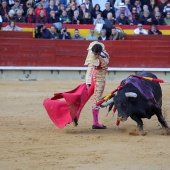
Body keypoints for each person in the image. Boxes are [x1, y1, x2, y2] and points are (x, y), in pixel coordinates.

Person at [84, 41, 110, 129]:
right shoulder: (101, 55)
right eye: (93, 53)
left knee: (96, 99)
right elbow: (90, 69)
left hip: (99, 79)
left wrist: (88, 81)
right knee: (97, 100)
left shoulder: (102, 59)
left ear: (99, 53)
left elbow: (92, 67)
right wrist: (88, 81)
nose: (93, 55)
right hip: (99, 80)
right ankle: (95, 123)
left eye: (95, 54)